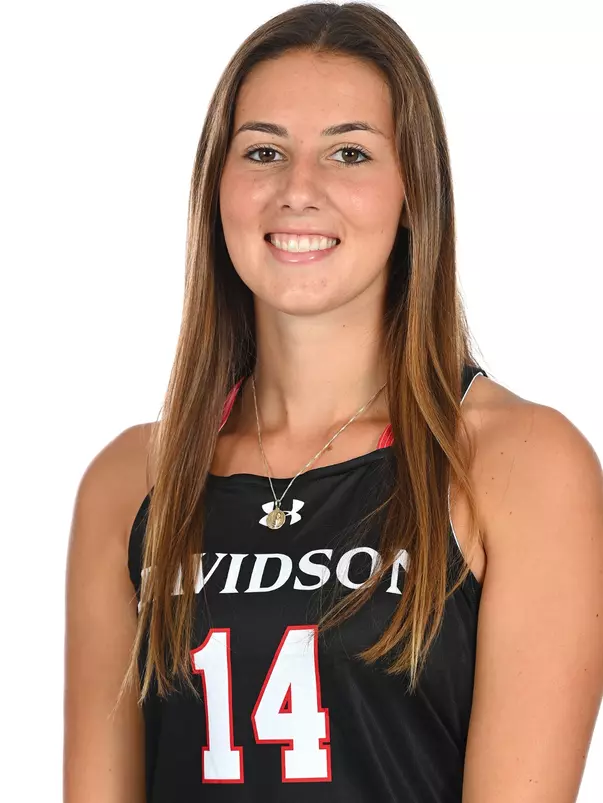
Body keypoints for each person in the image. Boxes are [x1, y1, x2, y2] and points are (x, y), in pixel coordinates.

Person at [63, 3, 603, 802]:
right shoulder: (130, 481)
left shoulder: (520, 464)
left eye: (349, 153)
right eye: (263, 151)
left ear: (413, 192)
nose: (298, 189)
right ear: (218, 187)